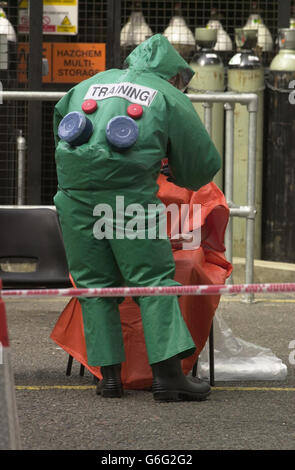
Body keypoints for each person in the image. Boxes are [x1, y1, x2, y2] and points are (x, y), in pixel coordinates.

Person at [53, 33, 221, 402]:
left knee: (95, 285)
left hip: (74, 196)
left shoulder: (90, 85)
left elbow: (60, 126)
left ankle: (109, 377)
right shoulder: (167, 95)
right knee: (152, 281)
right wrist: (170, 169)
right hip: (126, 199)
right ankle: (168, 378)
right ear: (174, 75)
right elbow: (201, 166)